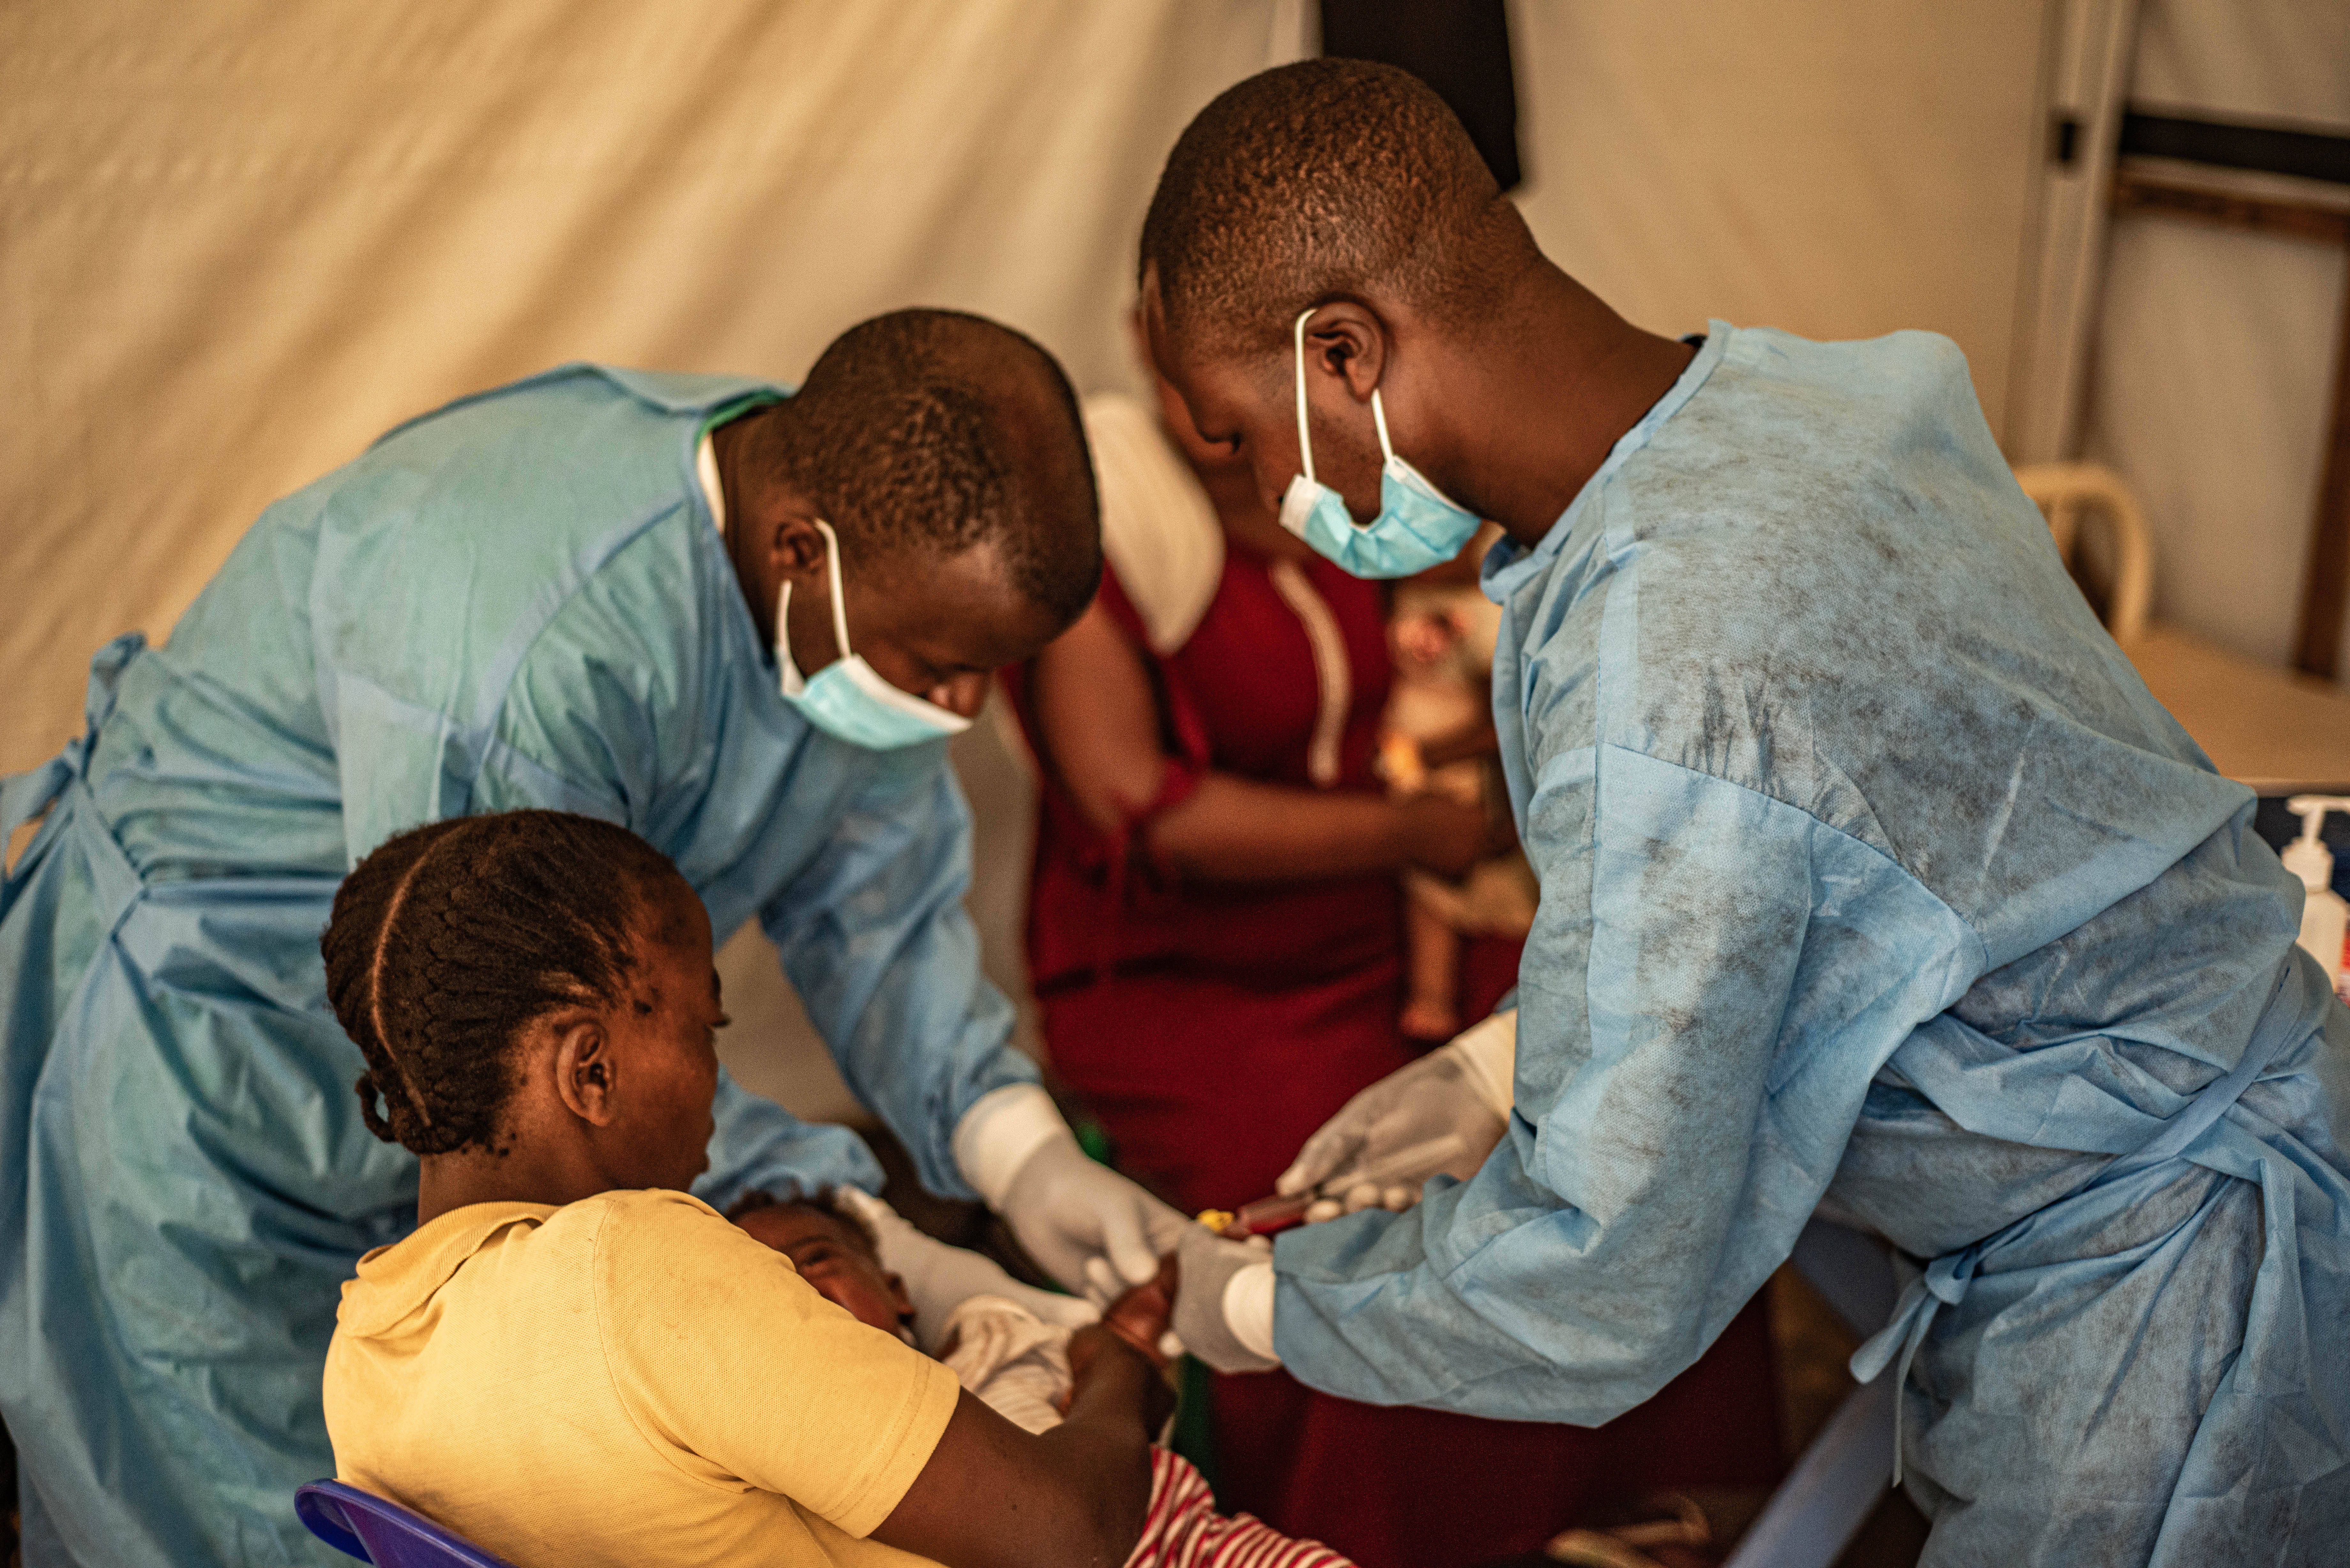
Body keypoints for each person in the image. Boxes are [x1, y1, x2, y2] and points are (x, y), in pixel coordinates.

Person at [1145, 60, 2350, 1567]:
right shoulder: (1799, 396)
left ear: (1342, 354)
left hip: (2164, 1298)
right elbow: (1894, 831)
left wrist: (1267, 1310)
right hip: (2236, 1120)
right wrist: (1505, 1056)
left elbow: (1603, 1276)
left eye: (1237, 437)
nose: (1264, 492)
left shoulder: (1665, 662)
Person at [0, 309, 1183, 1566]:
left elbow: (872, 900)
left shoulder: (858, 534)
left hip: (470, 1166)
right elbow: (560, 1057)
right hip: (211, 1090)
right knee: (216, 1504)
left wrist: (1014, 1145)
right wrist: (870, 1235)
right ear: (799, 548)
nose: (963, 705)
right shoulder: (522, 660)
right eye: (942, 665)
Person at [1003, 359, 1781, 1567]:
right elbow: (1133, 802)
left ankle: (1636, 1486)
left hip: (1371, 929)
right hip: (1179, 979)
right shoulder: (1109, 527)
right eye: (1184, 383)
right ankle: (1387, 1539)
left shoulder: (1318, 499)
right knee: (1346, 1204)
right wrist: (1416, 832)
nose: (1220, 428)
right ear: (1141, 346)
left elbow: (1433, 661)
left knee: (1623, 1092)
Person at [318, 808, 1351, 1568]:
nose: (719, 1081)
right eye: (701, 1028)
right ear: (591, 1071)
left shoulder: (367, 1360)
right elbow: (1068, 1535)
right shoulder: (637, 1265)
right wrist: (1120, 1367)